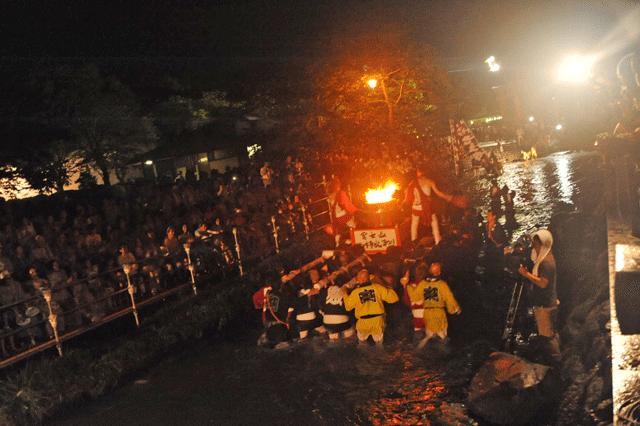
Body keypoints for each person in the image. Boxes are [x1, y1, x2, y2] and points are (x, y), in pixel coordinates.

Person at [517, 229, 561, 362]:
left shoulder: (546, 262)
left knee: (547, 335)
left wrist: (526, 274)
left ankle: (555, 361)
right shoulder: (544, 257)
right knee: (551, 332)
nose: (533, 247)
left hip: (545, 304)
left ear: (543, 245)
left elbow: (542, 283)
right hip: (547, 301)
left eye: (535, 244)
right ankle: (555, 358)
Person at [343, 268, 399, 346]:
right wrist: (385, 285)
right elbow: (394, 298)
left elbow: (348, 307)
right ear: (369, 278)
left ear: (359, 280)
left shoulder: (355, 293)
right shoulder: (378, 288)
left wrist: (345, 293)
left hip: (363, 322)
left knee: (362, 344)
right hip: (377, 321)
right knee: (379, 345)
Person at [415, 262, 461, 348]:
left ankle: (417, 350)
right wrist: (456, 309)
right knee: (442, 335)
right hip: (439, 313)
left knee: (428, 335)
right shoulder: (442, 284)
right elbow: (449, 298)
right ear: (439, 272)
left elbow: (416, 298)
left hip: (427, 313)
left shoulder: (422, 284)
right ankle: (443, 352)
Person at [403, 168, 453, 244]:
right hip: (428, 208)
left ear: (418, 173)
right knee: (434, 223)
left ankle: (413, 243)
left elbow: (407, 196)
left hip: (416, 207)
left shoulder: (413, 182)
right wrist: (448, 197)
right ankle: (437, 241)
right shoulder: (430, 181)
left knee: (414, 225)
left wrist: (403, 202)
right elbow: (438, 193)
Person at [327, 178, 358, 247]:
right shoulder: (341, 193)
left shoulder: (330, 196)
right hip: (343, 215)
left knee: (339, 231)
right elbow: (347, 204)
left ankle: (338, 244)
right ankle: (353, 242)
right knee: (353, 226)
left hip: (336, 217)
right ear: (337, 186)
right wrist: (354, 210)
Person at [401, 262, 429, 334]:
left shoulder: (411, 286)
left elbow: (407, 302)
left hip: (418, 320)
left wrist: (404, 286)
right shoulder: (431, 284)